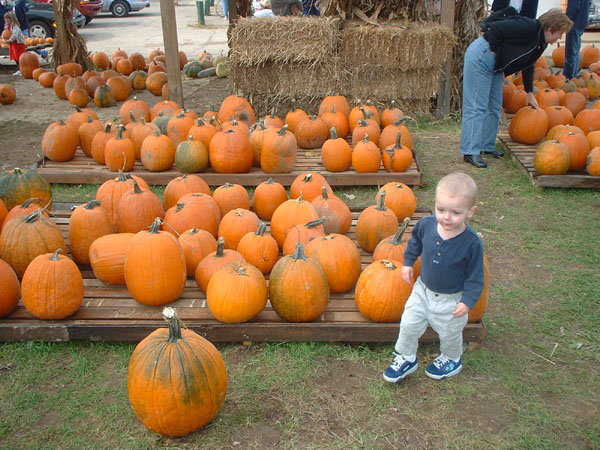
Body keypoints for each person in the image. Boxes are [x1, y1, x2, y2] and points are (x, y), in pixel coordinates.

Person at [383, 173, 485, 383]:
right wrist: (408, 263)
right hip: (422, 290)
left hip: (451, 299)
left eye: (456, 212)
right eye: (441, 210)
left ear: (470, 212)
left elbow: (476, 277)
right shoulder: (427, 225)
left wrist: (467, 302)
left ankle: (451, 359)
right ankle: (407, 356)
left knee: (449, 333)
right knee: (409, 323)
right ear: (435, 205)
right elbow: (414, 243)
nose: (446, 217)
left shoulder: (471, 243)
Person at [460, 8, 573, 168]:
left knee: (494, 105)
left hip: (495, 64)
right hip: (482, 56)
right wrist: (493, 49)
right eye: (560, 34)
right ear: (550, 29)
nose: (559, 38)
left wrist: (529, 92)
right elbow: (497, 28)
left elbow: (528, 65)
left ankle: (486, 145)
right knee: (477, 105)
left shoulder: (539, 42)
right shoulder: (528, 27)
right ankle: (470, 151)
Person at [563, 0, 590, 80]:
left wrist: (565, 19)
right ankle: (574, 75)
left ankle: (569, 77)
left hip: (574, 22)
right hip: (582, 21)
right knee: (575, 52)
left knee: (570, 53)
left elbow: (574, 7)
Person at [3, 12, 26, 76]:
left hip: (18, 44)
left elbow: (14, 35)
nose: (6, 20)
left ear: (12, 19)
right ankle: (19, 69)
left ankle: (22, 70)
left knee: (19, 58)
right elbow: (5, 33)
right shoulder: (8, 27)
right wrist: (4, 39)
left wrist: (9, 40)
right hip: (12, 44)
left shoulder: (15, 27)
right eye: (5, 18)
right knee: (15, 57)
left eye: (8, 18)